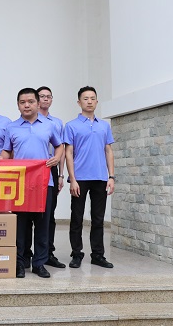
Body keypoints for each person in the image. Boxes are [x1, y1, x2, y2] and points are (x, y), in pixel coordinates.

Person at [0, 88, 63, 279]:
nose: (27, 105)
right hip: (20, 184)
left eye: (31, 102)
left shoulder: (49, 126)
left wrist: (57, 157)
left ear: (37, 103)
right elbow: (7, 151)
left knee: (42, 224)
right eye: (22, 102)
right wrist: (0, 159)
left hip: (44, 182)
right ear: (18, 105)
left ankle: (39, 264)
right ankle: (19, 262)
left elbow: (59, 145)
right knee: (20, 225)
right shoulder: (12, 127)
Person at [64, 86, 115, 269]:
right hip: (80, 178)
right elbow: (69, 153)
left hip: (100, 177)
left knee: (98, 219)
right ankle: (76, 254)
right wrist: (72, 179)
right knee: (77, 218)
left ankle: (98, 255)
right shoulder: (71, 125)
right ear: (79, 102)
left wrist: (111, 176)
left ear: (97, 101)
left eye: (92, 98)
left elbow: (108, 150)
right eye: (85, 98)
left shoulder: (104, 126)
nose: (89, 101)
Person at [22, 86, 67, 269]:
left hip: (46, 173)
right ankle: (24, 258)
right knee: (23, 219)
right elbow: (8, 151)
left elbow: (60, 147)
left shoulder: (53, 124)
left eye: (48, 96)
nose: (45, 99)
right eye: (41, 96)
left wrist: (60, 170)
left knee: (46, 217)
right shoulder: (16, 125)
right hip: (24, 177)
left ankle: (45, 257)